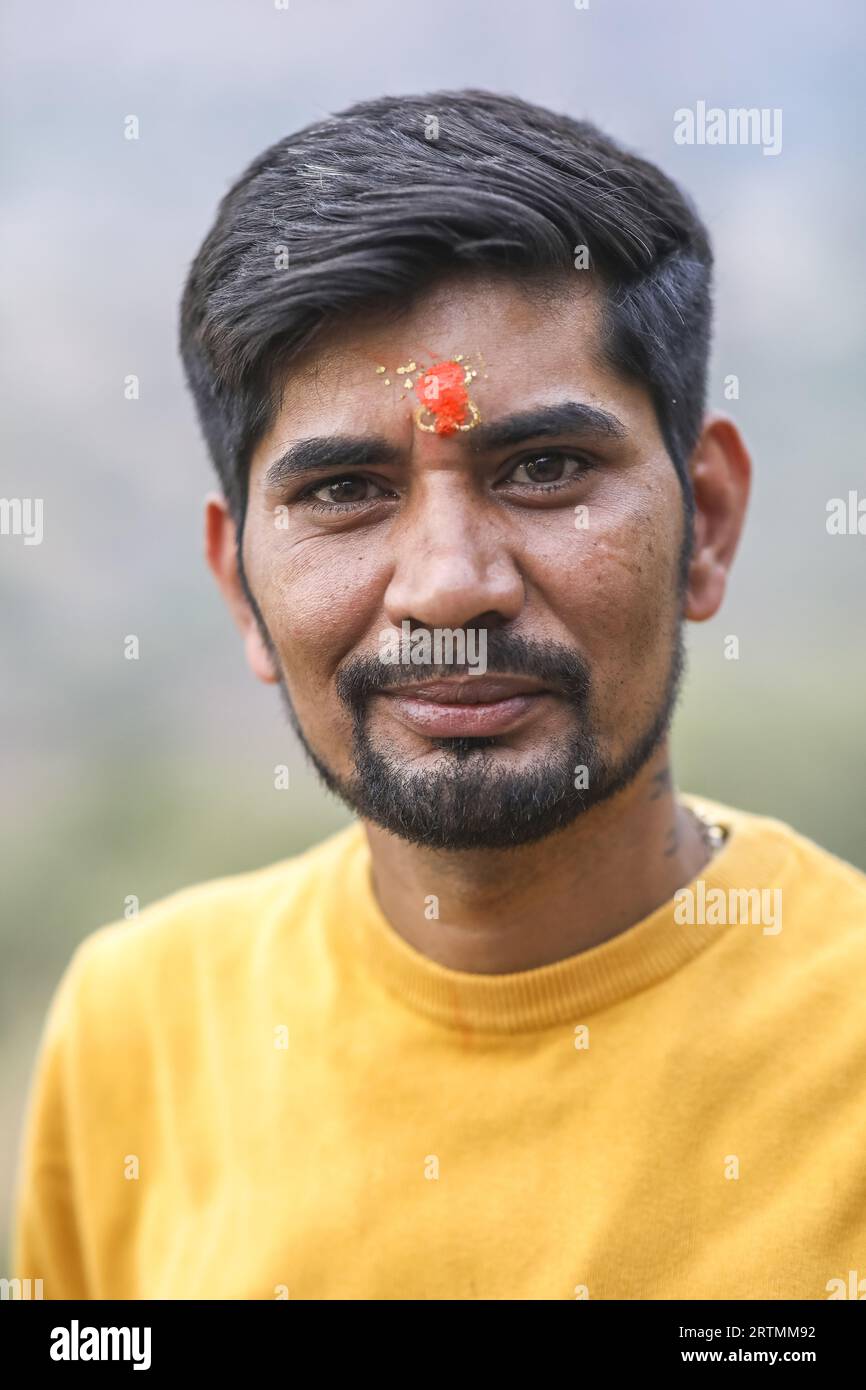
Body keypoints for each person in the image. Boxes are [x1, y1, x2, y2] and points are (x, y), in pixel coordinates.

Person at [13, 89, 866, 1301]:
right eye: (346, 489)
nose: (450, 587)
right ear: (241, 585)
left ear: (707, 524)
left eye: (546, 469)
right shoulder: (137, 1021)